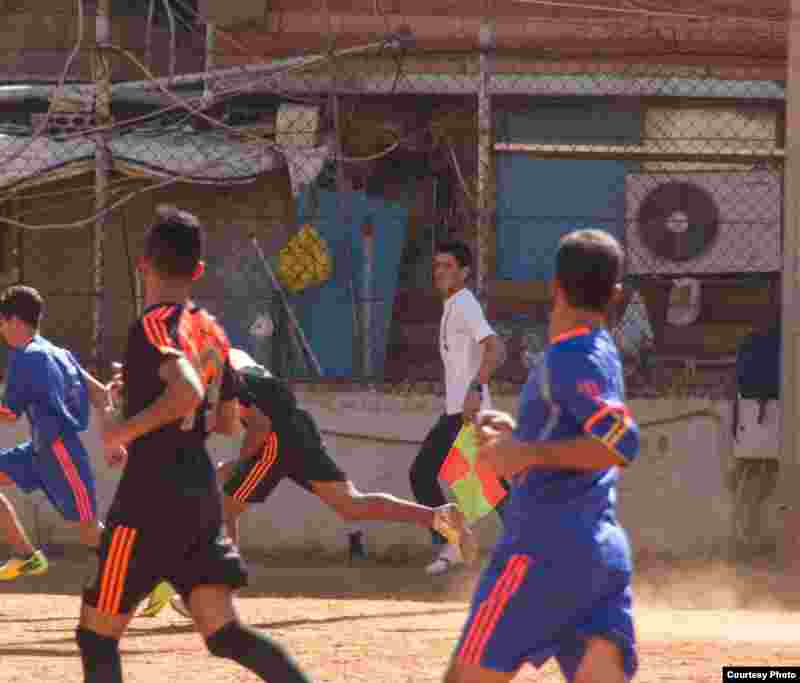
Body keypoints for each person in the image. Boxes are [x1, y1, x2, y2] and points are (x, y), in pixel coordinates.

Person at [77, 206, 316, 683]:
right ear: (199, 270)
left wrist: (124, 430)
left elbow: (185, 390)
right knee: (225, 634)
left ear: (144, 264)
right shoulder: (210, 331)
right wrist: (146, 394)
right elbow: (227, 422)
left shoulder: (152, 325)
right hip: (198, 498)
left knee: (97, 636)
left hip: (147, 499)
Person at [140, 346, 471, 620]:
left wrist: (238, 463)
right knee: (351, 505)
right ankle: (439, 517)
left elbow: (259, 424)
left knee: (225, 508)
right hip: (299, 428)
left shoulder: (220, 375)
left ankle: (217, 594)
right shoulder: (233, 357)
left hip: (276, 438)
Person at [443, 229, 641, 683]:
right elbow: (582, 431)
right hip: (599, 558)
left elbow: (620, 443)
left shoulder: (570, 356)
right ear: (615, 295)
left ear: (555, 287)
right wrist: (522, 437)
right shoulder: (601, 350)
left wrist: (526, 451)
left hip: (541, 552)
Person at [0, 285, 112, 580]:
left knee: (89, 531)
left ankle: (155, 577)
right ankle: (26, 556)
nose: (1, 329)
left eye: (3, 322)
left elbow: (8, 416)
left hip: (60, 452)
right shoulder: (61, 353)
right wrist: (112, 438)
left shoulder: (26, 357)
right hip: (39, 448)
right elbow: (101, 393)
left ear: (15, 321)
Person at [413, 239, 502, 575]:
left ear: (464, 272)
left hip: (467, 413)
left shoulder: (465, 303)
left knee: (426, 475)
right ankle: (455, 543)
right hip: (456, 411)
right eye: (437, 266)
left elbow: (495, 348)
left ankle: (455, 544)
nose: (440, 272)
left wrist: (476, 389)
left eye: (448, 266)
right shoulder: (453, 305)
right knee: (490, 488)